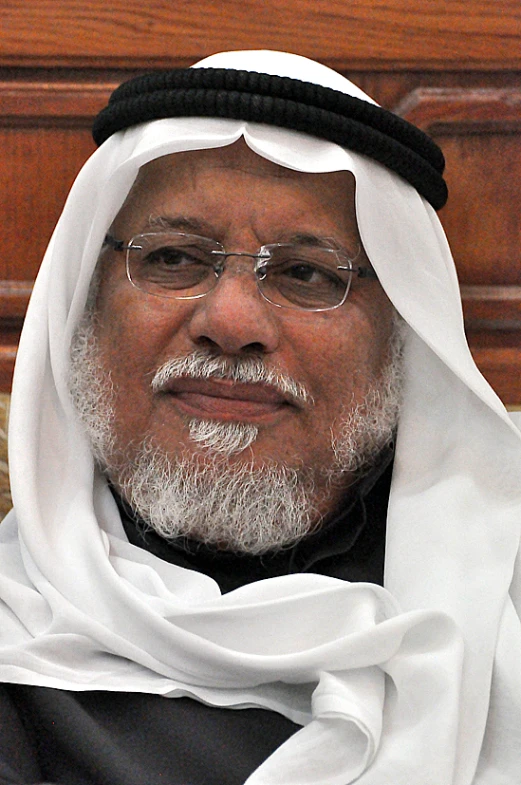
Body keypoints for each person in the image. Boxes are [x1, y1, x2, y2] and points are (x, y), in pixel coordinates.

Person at [0, 49, 520, 785]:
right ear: (86, 312)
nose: (232, 321)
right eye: (174, 258)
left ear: (399, 334)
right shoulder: (11, 638)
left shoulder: (503, 591)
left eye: (308, 273)